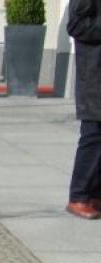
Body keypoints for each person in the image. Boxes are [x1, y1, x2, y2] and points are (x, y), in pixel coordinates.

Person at [65, 0, 101, 219]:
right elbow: (76, 26)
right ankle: (78, 197)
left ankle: (95, 195)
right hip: (94, 73)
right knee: (93, 134)